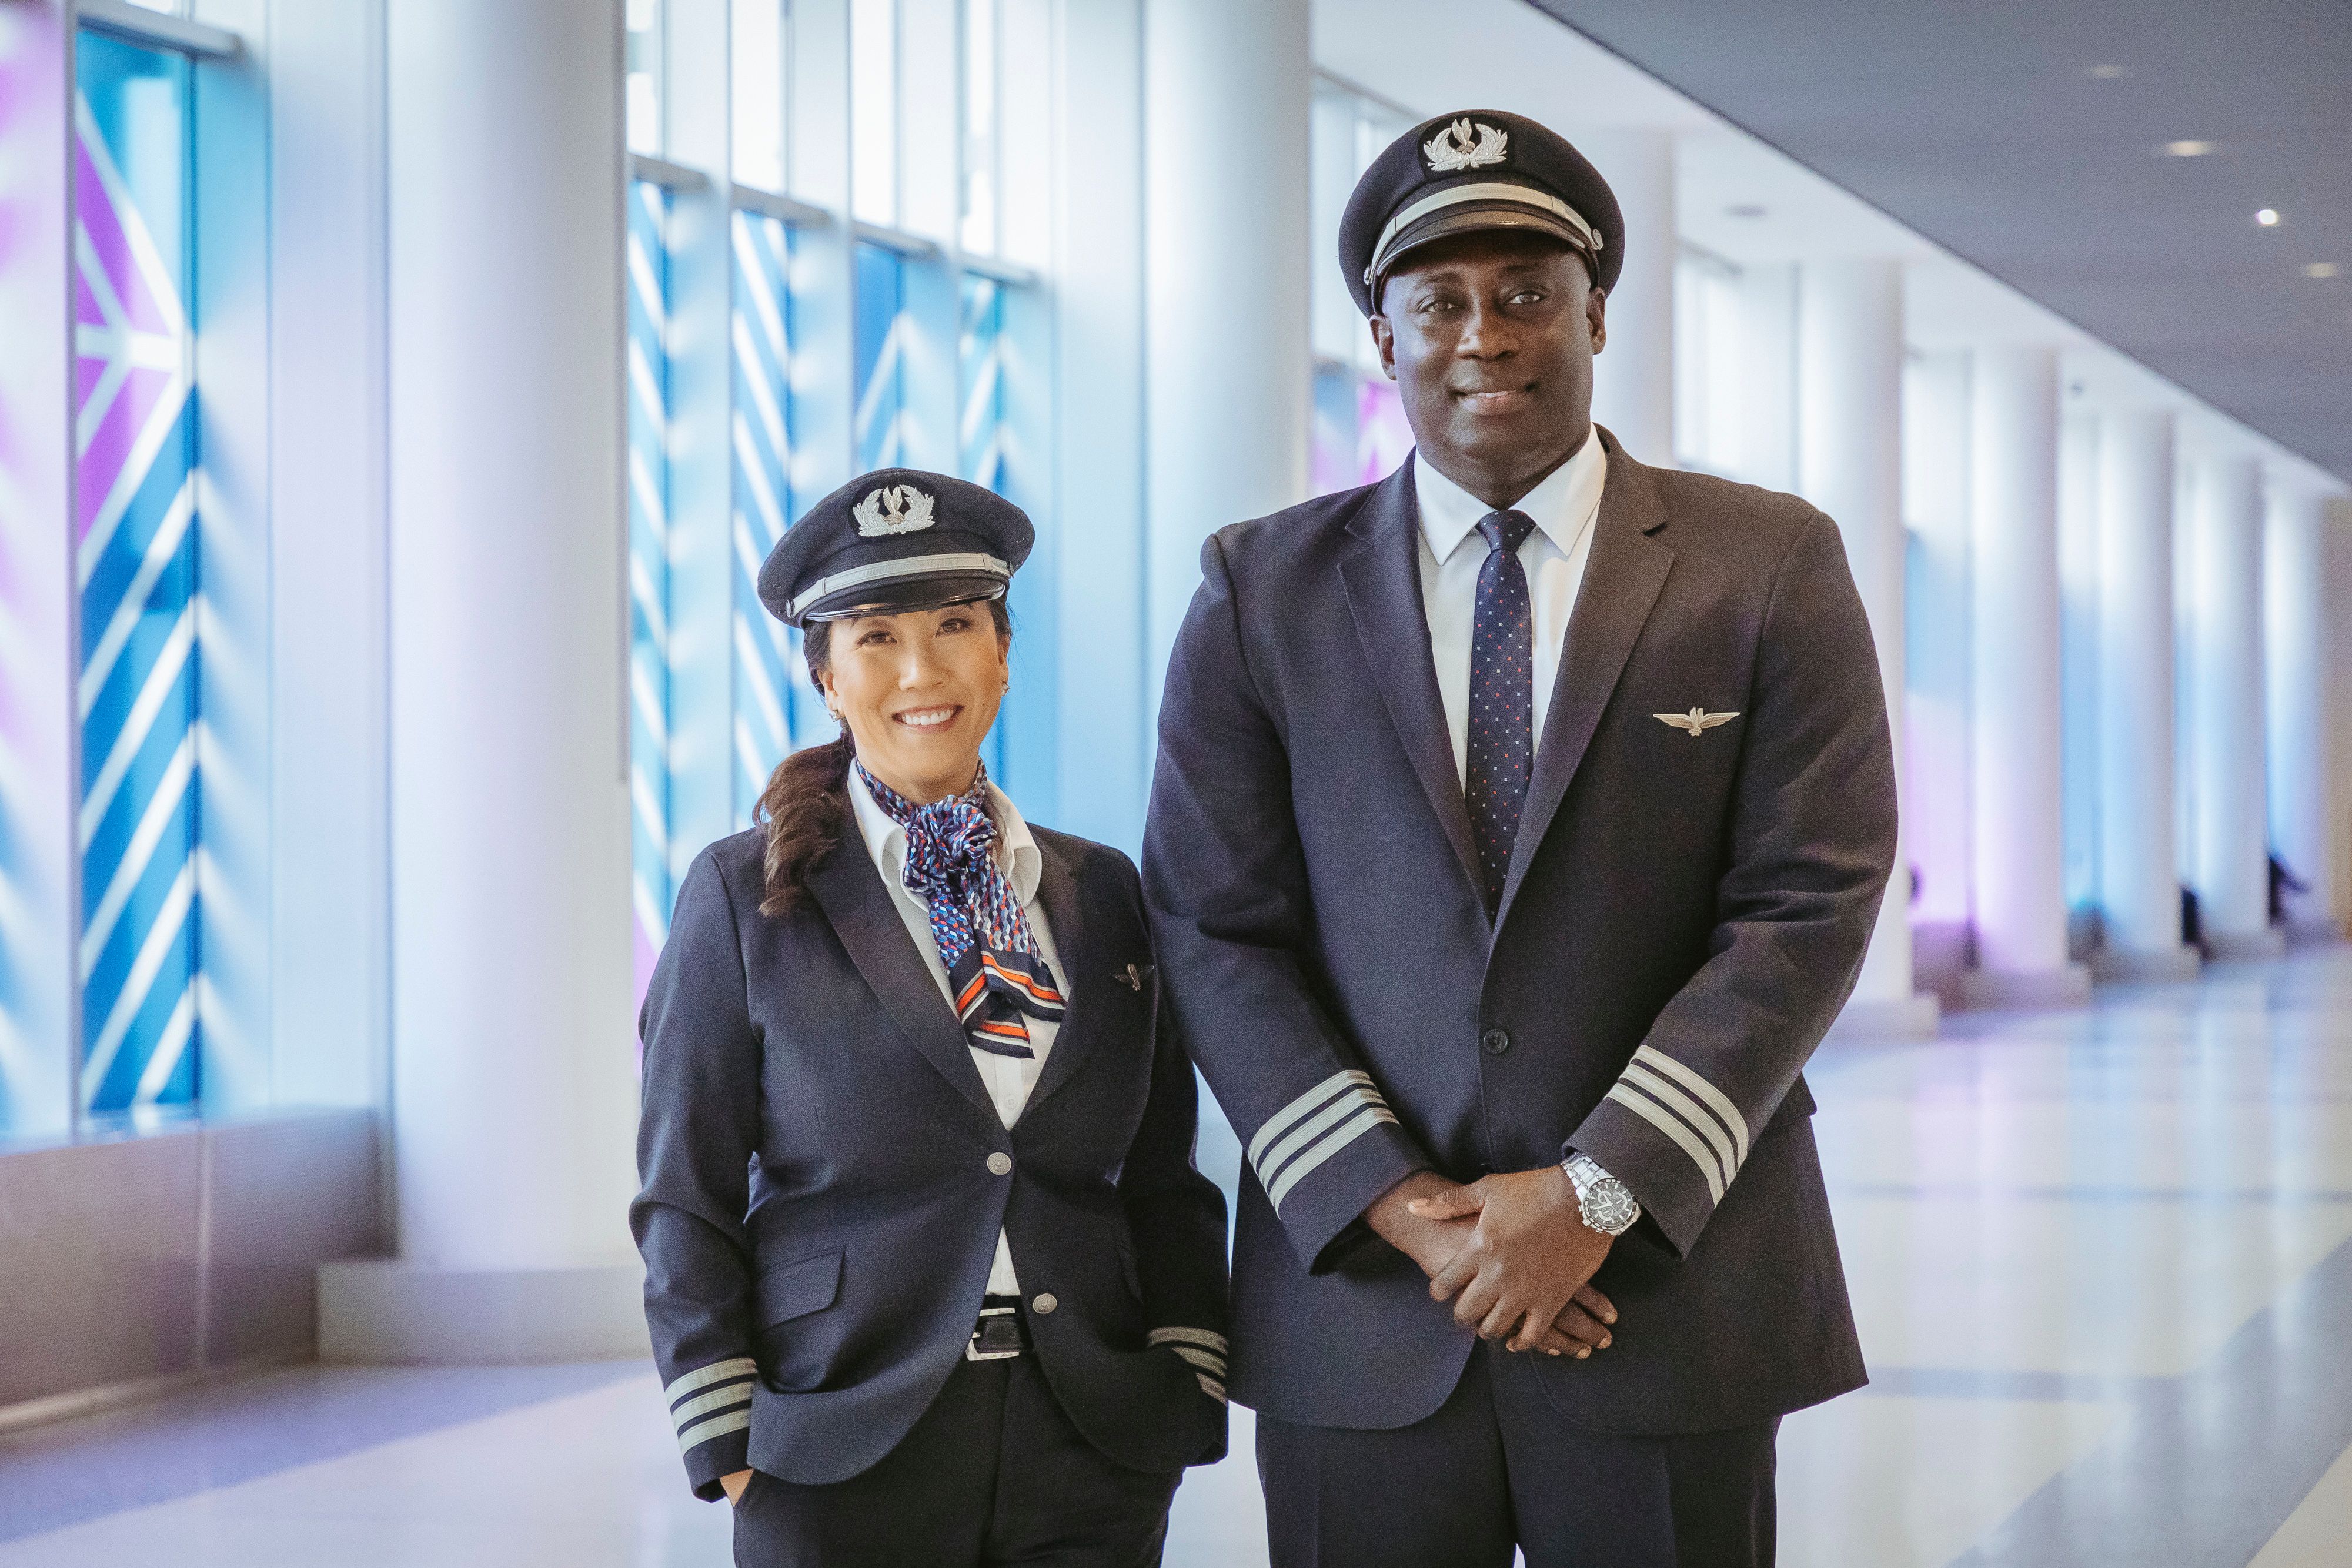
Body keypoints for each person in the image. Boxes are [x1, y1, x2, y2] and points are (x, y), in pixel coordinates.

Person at [1144, 110, 1896, 1567]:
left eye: (1525, 292)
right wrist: (1409, 1211)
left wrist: (1595, 1189)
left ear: (1595, 311)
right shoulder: (1258, 592)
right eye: (1438, 302)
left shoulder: (1765, 566)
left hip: (1666, 1292)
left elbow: (1807, 902)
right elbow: (1211, 924)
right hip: (1366, 1300)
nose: (1483, 335)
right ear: (1383, 336)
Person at [634, 468, 1229, 1567]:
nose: (923, 669)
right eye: (875, 637)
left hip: (1090, 1435)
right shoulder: (740, 897)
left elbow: (1161, 1165)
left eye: (957, 624)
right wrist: (722, 1427)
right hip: (841, 1439)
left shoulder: (1102, 892)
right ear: (826, 679)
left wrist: (1184, 1367)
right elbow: (685, 1187)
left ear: (1002, 654)